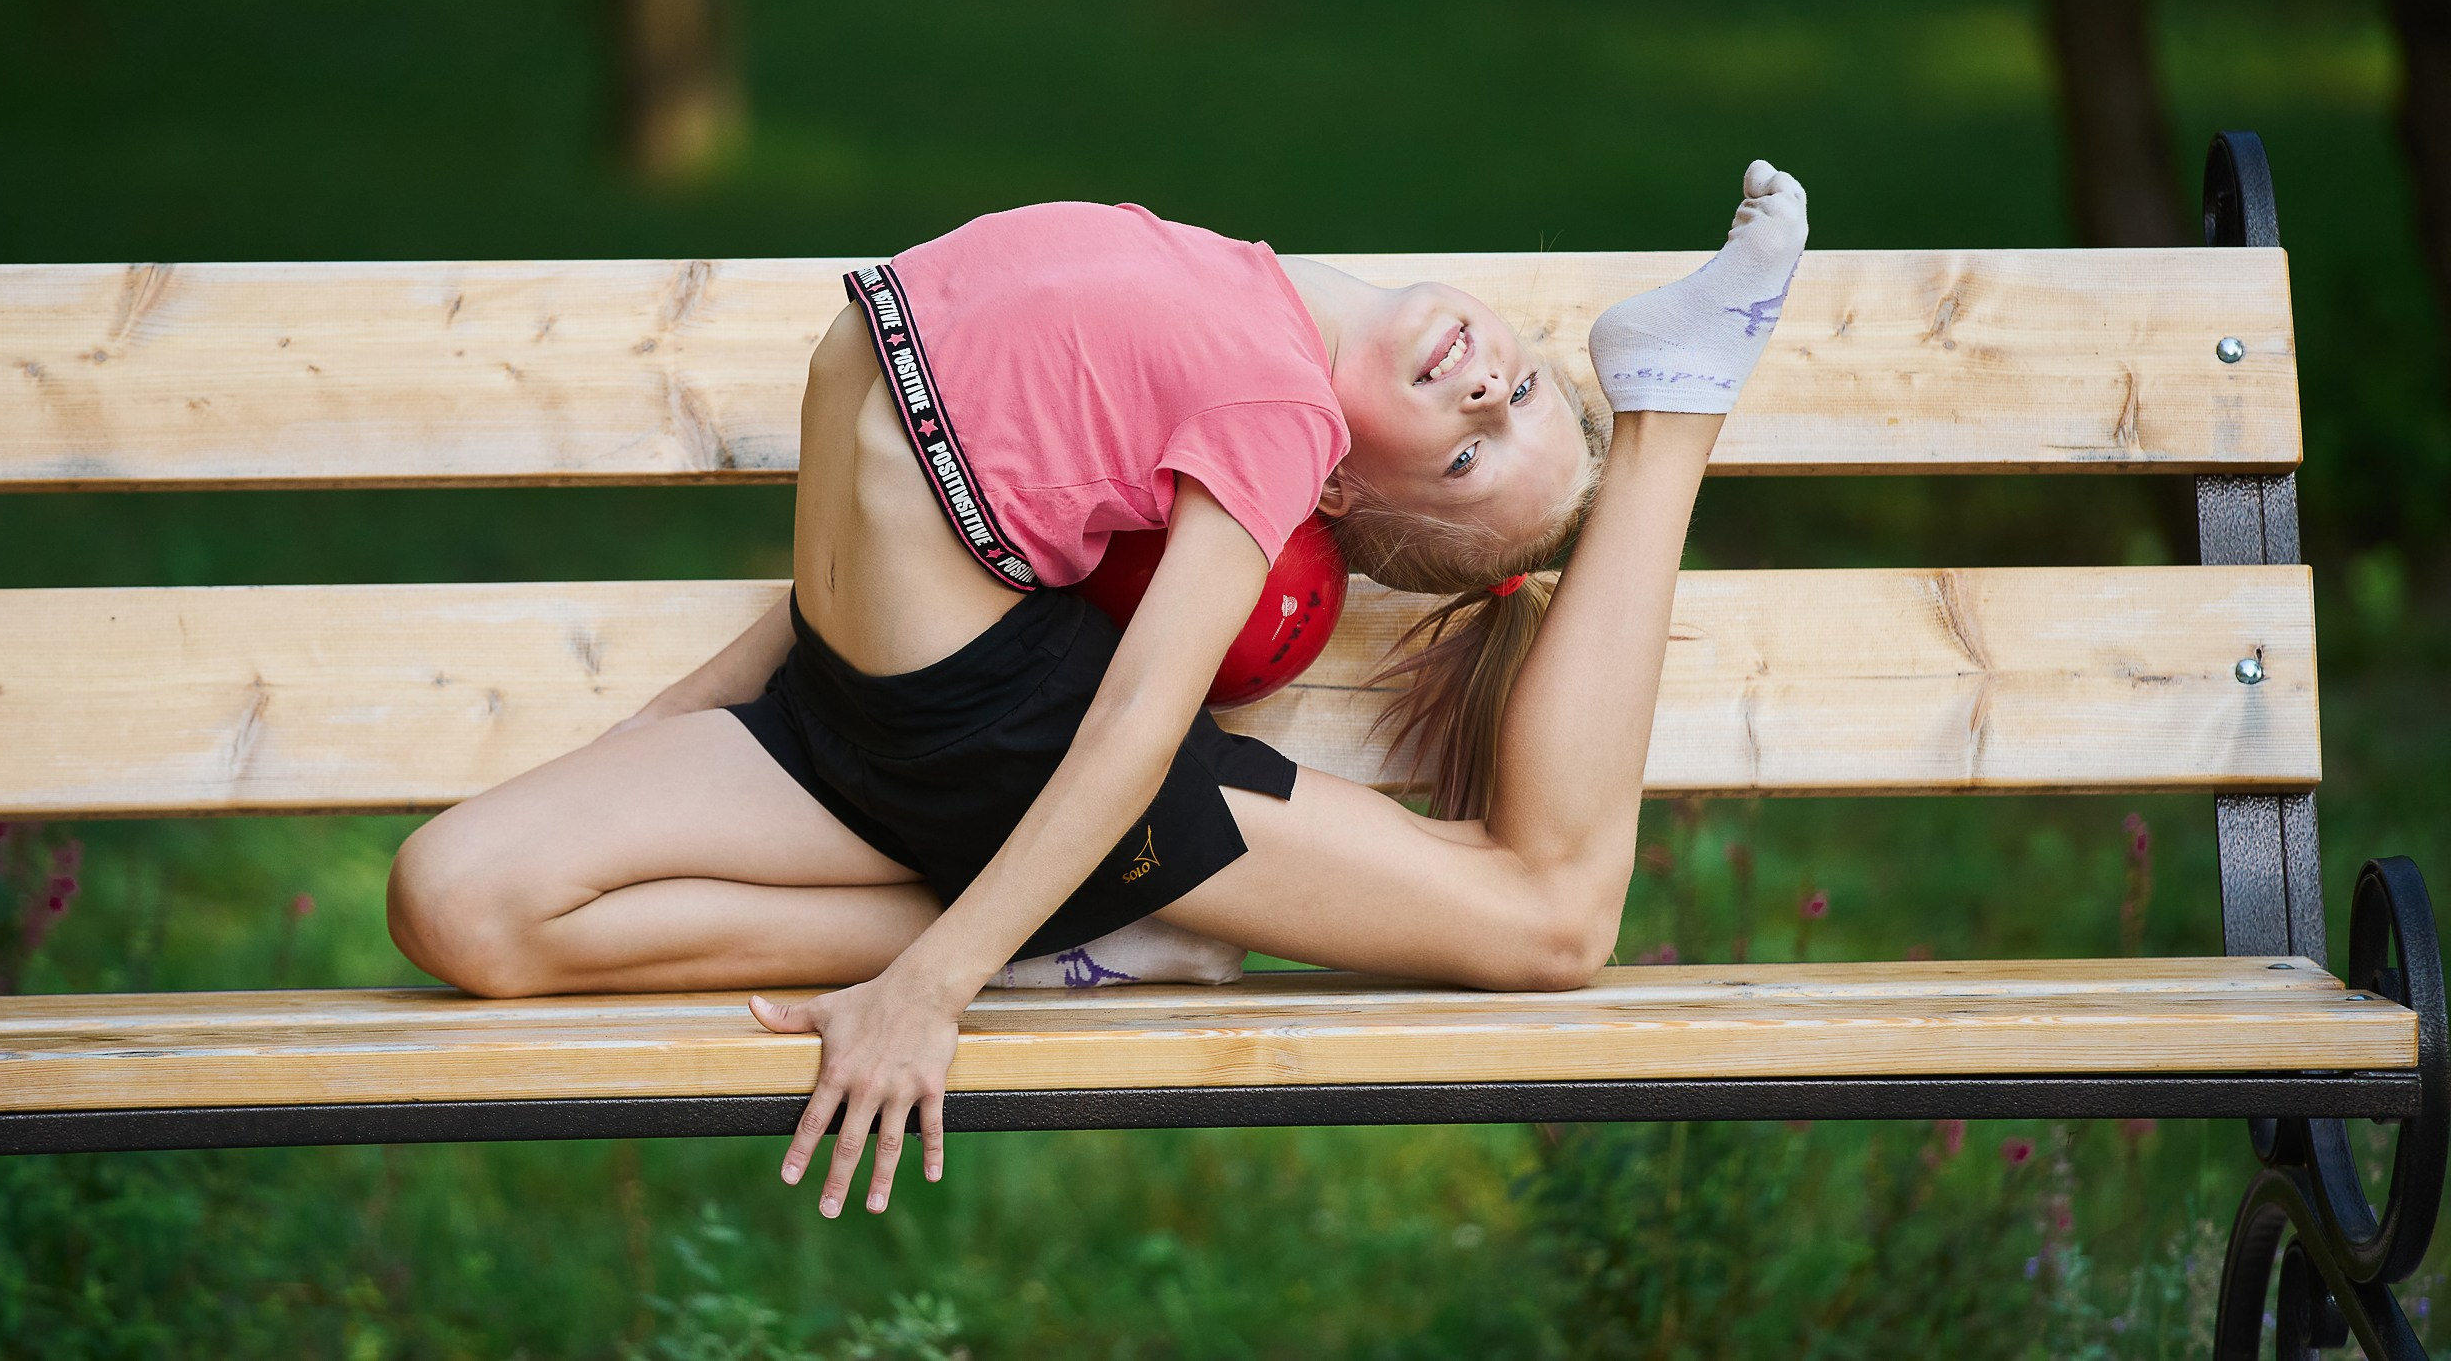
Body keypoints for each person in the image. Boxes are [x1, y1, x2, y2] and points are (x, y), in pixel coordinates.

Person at [386, 160, 1810, 1220]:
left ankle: (1674, 400)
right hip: (852, 725)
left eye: (1463, 462)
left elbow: (1134, 720)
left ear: (1328, 486)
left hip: (1016, 746)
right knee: (457, 901)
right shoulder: (1225, 274)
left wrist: (927, 992)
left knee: (1549, 920)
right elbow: (876, 546)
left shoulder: (1276, 410)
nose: (1491, 401)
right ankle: (1094, 929)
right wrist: (672, 723)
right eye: (1542, 399)